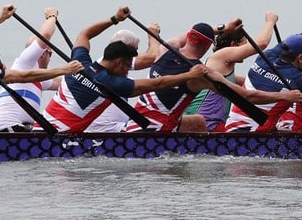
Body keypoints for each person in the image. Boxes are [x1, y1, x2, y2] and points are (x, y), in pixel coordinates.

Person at [42, 7, 211, 133]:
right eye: (127, 66)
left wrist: (115, 19)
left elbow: (84, 34)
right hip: (58, 136)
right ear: (118, 62)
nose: (127, 71)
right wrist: (190, 75)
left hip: (41, 128)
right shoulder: (110, 83)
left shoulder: (79, 63)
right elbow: (157, 83)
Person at [125, 15, 302, 132]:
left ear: (188, 38)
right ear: (206, 47)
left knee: (197, 123)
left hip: (138, 121)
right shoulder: (201, 74)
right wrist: (286, 96)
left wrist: (224, 29)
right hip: (155, 130)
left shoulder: (166, 48)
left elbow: (192, 32)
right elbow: (247, 97)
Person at [0, 8, 66, 132]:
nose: (50, 56)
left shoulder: (40, 79)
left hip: (21, 129)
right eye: (49, 53)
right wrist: (52, 16)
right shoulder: (24, 64)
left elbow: (67, 82)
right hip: (6, 128)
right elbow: (45, 35)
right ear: (42, 53)